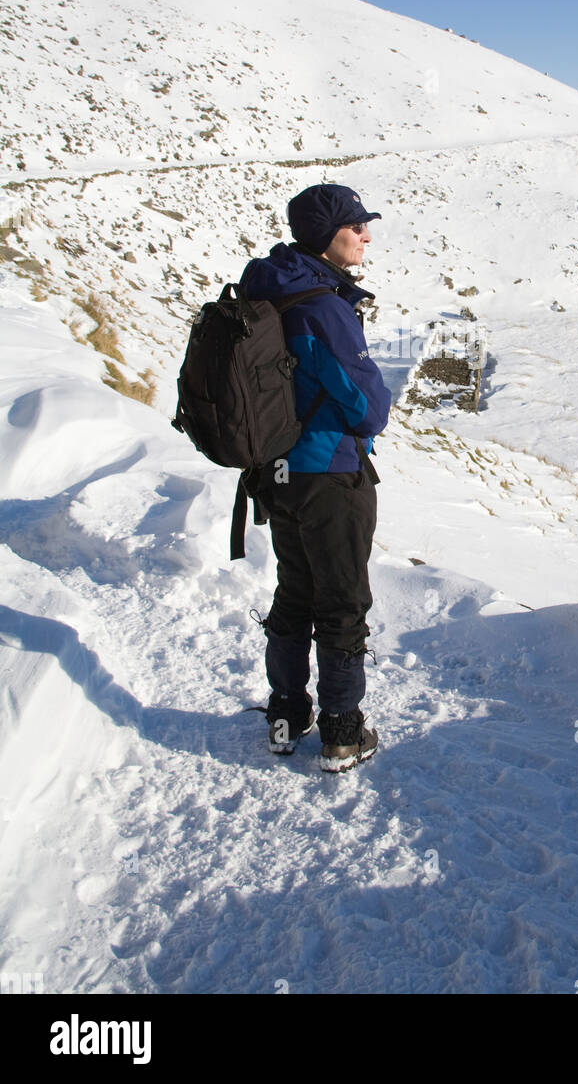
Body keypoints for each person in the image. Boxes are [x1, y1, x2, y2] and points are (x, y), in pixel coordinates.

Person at [239, 183, 391, 772]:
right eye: (357, 227)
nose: (367, 236)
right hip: (330, 473)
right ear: (331, 236)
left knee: (294, 592)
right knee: (342, 602)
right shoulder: (323, 306)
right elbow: (366, 404)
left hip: (276, 471)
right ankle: (342, 733)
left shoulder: (272, 289)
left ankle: (285, 715)